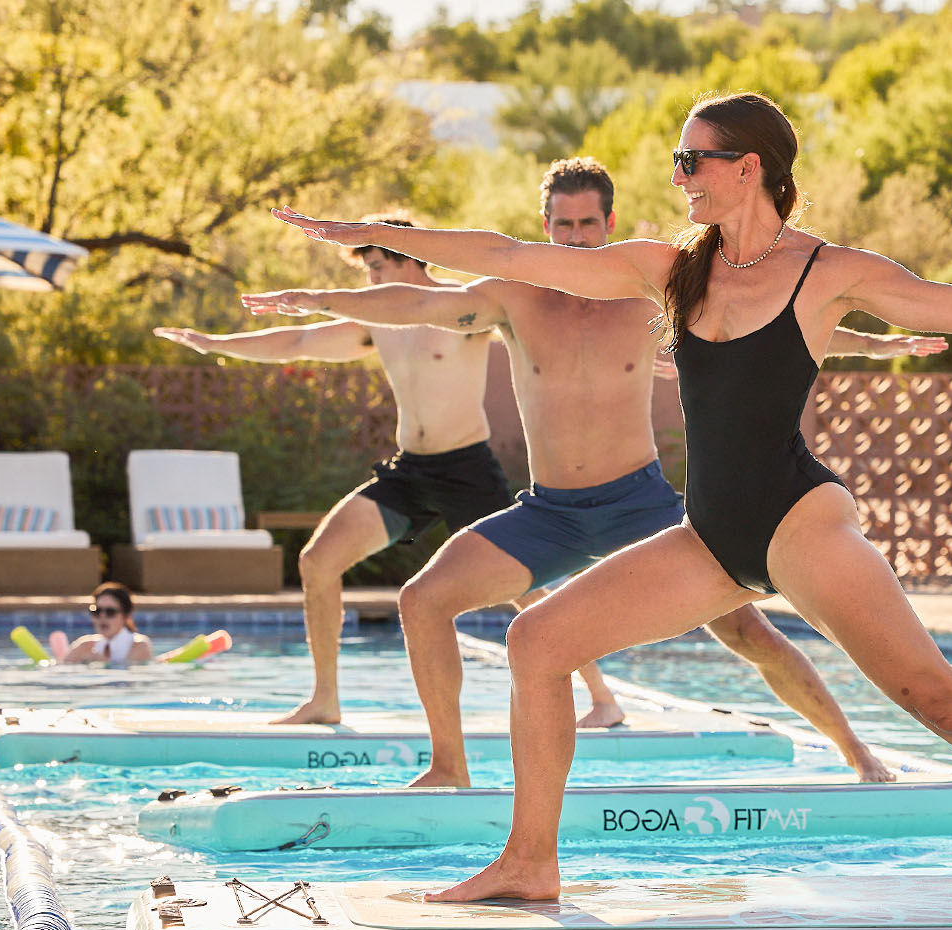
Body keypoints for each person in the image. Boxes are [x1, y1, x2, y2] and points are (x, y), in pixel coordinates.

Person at [271, 94, 952, 917]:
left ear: (750, 167)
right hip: (712, 535)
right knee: (537, 642)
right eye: (679, 162)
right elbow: (510, 253)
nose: (681, 175)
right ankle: (531, 863)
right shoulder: (672, 266)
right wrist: (380, 237)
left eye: (695, 160)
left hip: (799, 522)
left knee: (935, 698)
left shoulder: (828, 273)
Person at [244, 159, 938, 787]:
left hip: (641, 507)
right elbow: (416, 306)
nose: (575, 238)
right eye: (562, 225)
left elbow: (780, 326)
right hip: (551, 514)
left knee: (748, 632)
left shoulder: (650, 293)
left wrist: (881, 346)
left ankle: (857, 754)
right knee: (423, 602)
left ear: (607, 225)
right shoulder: (513, 297)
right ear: (543, 227)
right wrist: (321, 299)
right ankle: (448, 769)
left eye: (586, 225)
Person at [156, 214, 627, 729]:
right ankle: (325, 699)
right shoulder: (376, 324)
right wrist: (218, 345)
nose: (371, 280)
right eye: (368, 272)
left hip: (466, 470)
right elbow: (297, 344)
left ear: (408, 258)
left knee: (528, 592)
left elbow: (537, 334)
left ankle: (602, 698)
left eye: (378, 266)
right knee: (317, 561)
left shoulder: (462, 308)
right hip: (409, 473)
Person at [60, 582, 152, 664]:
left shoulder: (139, 645)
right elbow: (59, 669)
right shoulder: (85, 644)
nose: (102, 617)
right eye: (97, 611)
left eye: (110, 612)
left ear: (126, 616)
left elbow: (127, 678)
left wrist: (100, 663)